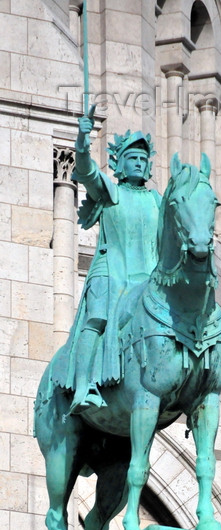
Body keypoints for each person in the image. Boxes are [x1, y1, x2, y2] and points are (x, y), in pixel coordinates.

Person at [53, 107, 161, 413]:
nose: (139, 163)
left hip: (147, 277)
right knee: (97, 320)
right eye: (133, 159)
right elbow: (85, 171)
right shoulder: (110, 192)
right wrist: (83, 140)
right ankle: (84, 386)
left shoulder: (155, 200)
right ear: (121, 165)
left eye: (143, 159)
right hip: (111, 272)